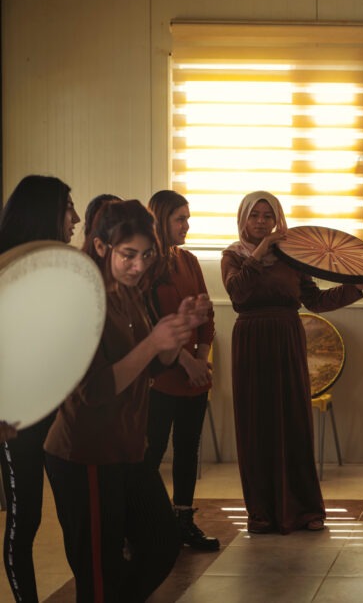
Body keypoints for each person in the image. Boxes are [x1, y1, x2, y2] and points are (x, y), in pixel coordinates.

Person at [44, 199, 208, 601]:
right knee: (100, 574)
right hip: (86, 453)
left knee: (161, 544)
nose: (139, 266)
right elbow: (95, 390)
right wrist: (155, 342)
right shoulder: (83, 299)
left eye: (147, 255)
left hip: (128, 447)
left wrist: (177, 332)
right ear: (102, 248)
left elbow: (153, 366)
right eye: (128, 255)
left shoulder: (131, 292)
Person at [221, 191, 363, 534]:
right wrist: (259, 254)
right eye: (255, 215)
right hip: (250, 341)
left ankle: (305, 511)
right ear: (243, 219)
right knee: (256, 425)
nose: (261, 222)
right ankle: (261, 513)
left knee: (294, 422)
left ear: (278, 219)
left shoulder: (292, 257)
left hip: (288, 338)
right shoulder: (232, 255)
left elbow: (316, 300)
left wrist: (356, 287)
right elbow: (237, 294)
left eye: (268, 215)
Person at [0, 174, 79, 603]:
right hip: (16, 415)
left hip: (64, 413)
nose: (77, 218)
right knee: (25, 516)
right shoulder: (9, 267)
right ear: (44, 213)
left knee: (75, 514)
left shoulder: (65, 267)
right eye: (69, 208)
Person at [143, 190, 219, 551]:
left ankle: (183, 519)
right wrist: (185, 361)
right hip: (162, 376)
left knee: (188, 450)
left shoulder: (188, 260)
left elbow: (207, 312)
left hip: (194, 376)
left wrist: (201, 357)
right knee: (151, 451)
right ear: (161, 219)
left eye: (188, 218)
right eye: (180, 219)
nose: (187, 225)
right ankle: (142, 524)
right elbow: (150, 325)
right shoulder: (145, 265)